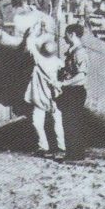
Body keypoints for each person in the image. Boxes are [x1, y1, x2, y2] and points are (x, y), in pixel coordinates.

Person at [24, 24, 66, 160]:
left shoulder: (39, 60)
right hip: (55, 96)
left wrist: (33, 31)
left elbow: (30, 45)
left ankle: (44, 147)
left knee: (37, 122)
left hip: (40, 96)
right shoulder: (58, 62)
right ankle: (61, 147)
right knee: (57, 122)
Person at [56, 24, 89, 160]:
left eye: (66, 34)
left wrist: (63, 83)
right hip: (71, 92)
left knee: (72, 123)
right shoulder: (73, 51)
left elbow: (81, 76)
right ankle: (74, 153)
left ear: (72, 34)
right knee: (70, 123)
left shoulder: (79, 52)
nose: (64, 37)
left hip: (75, 92)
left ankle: (75, 154)